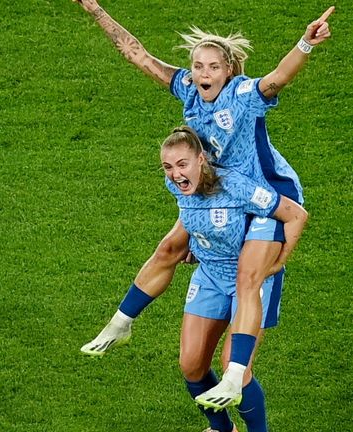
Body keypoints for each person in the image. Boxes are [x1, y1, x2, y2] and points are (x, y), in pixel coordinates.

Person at [75, 0, 333, 409]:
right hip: (217, 189)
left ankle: (234, 375)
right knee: (170, 249)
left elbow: (279, 78)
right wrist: (96, 10)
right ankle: (122, 322)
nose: (204, 74)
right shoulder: (188, 92)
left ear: (228, 70)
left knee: (249, 278)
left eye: (213, 67)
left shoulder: (244, 94)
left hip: (265, 196)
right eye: (198, 66)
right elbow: (137, 55)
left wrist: (306, 41)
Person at [168, 126, 308, 432]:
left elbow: (295, 214)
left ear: (201, 159)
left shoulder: (242, 184)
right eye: (168, 166)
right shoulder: (184, 186)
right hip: (213, 274)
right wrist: (195, 241)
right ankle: (222, 428)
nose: (175, 174)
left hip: (252, 275)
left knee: (236, 368)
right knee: (191, 365)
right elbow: (198, 216)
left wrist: (279, 261)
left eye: (181, 164)